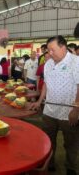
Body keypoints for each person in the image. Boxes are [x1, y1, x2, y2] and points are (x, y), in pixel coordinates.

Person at [29, 35, 79, 175]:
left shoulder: (76, 62)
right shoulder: (48, 64)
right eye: (48, 50)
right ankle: (49, 164)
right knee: (48, 140)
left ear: (63, 48)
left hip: (68, 112)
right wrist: (39, 102)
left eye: (52, 50)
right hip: (50, 111)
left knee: (71, 143)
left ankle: (71, 167)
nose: (49, 53)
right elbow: (46, 84)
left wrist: (76, 109)